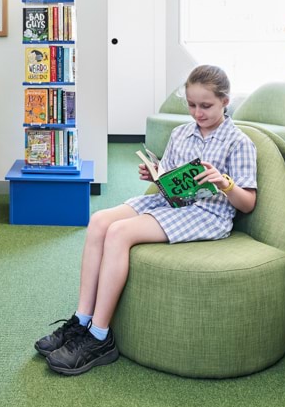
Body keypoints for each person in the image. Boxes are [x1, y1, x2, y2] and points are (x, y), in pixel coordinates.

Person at [34, 65, 257, 374]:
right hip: (172, 203)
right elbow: (168, 181)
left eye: (206, 106)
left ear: (225, 101)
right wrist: (153, 175)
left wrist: (225, 183)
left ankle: (99, 336)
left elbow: (247, 203)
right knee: (99, 220)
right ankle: (81, 320)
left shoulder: (239, 142)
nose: (197, 113)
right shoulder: (181, 133)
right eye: (191, 105)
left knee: (119, 233)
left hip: (208, 214)